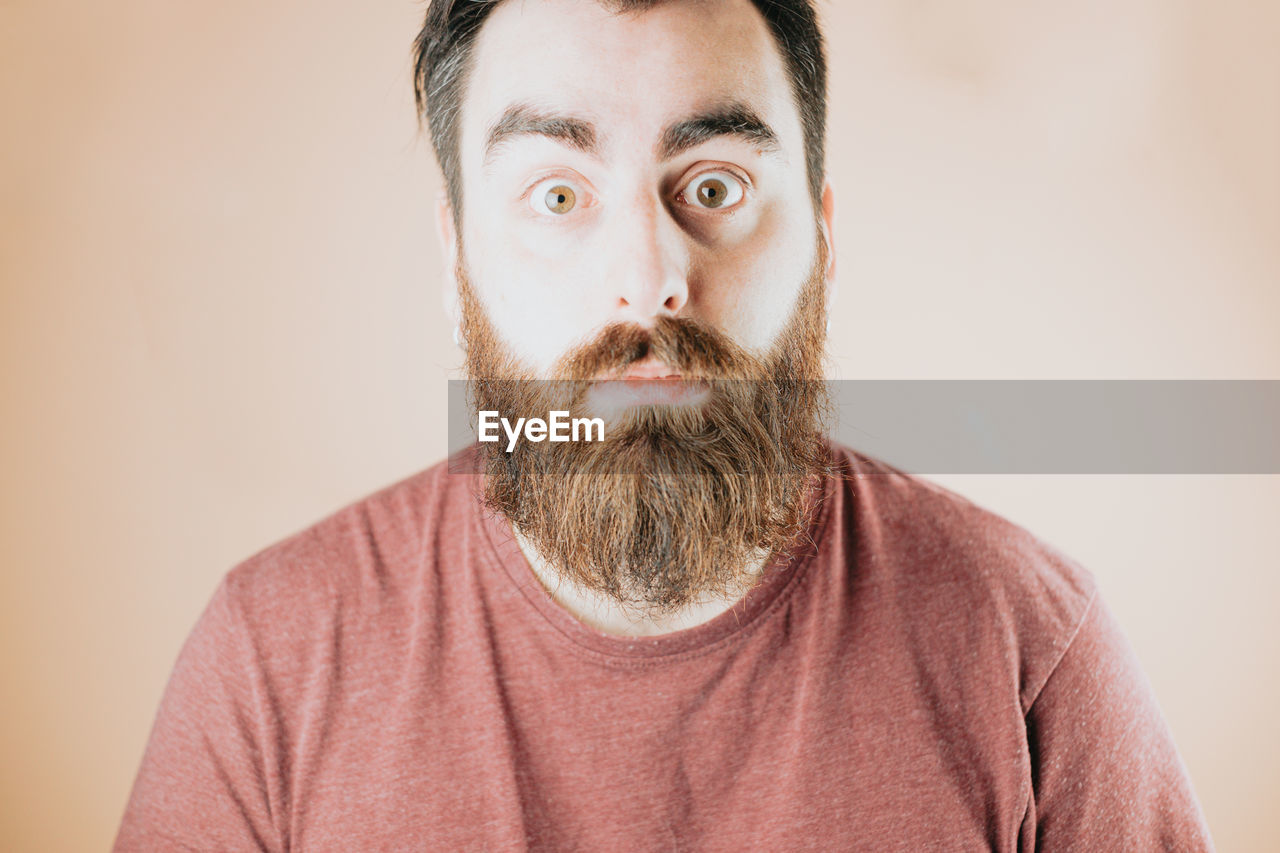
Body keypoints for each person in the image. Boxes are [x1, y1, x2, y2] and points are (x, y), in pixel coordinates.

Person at [113, 0, 1215, 849]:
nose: (646, 284)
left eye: (716, 186)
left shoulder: (1029, 646)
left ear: (821, 236)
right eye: (556, 195)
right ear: (456, 260)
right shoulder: (271, 660)